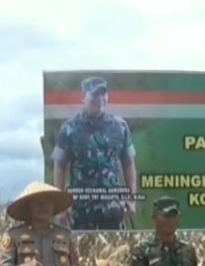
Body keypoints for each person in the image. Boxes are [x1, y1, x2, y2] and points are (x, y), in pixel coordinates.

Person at [51, 76, 139, 231]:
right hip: (80, 210)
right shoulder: (69, 129)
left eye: (103, 94)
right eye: (94, 95)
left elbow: (128, 163)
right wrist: (60, 205)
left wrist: (131, 199)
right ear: (83, 98)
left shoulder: (120, 126)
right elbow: (59, 166)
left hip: (113, 209)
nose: (100, 99)